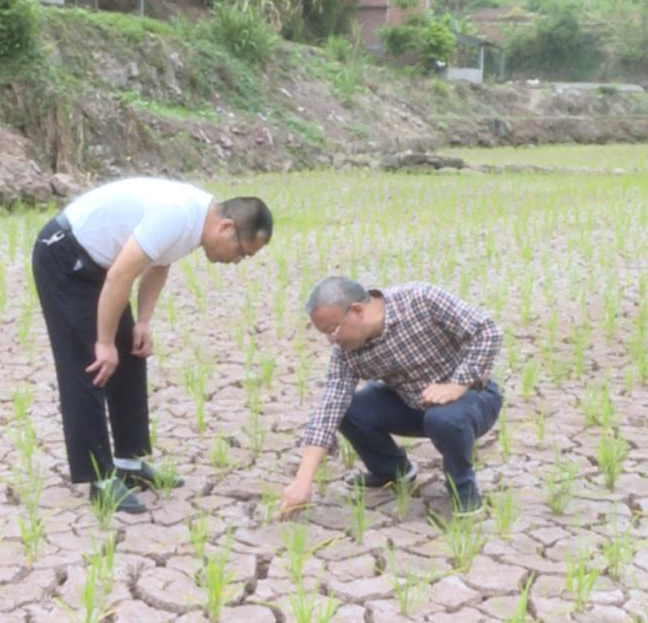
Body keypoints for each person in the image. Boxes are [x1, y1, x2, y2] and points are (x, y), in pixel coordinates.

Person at [32, 177, 272, 513]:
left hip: (102, 264)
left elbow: (158, 265)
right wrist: (103, 342)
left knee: (130, 351)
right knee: (90, 366)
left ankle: (128, 463)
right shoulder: (178, 214)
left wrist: (142, 323)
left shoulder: (197, 221)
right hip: (65, 256)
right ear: (226, 227)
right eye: (242, 252)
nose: (237, 261)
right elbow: (119, 277)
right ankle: (100, 480)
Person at [279, 276, 503, 518]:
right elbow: (329, 408)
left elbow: (487, 332)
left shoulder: (421, 299)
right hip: (411, 404)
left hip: (472, 398)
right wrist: (303, 481)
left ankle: (464, 491)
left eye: (333, 330)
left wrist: (457, 384)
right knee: (348, 409)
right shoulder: (346, 352)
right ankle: (393, 472)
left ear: (357, 310)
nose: (332, 340)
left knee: (444, 419)